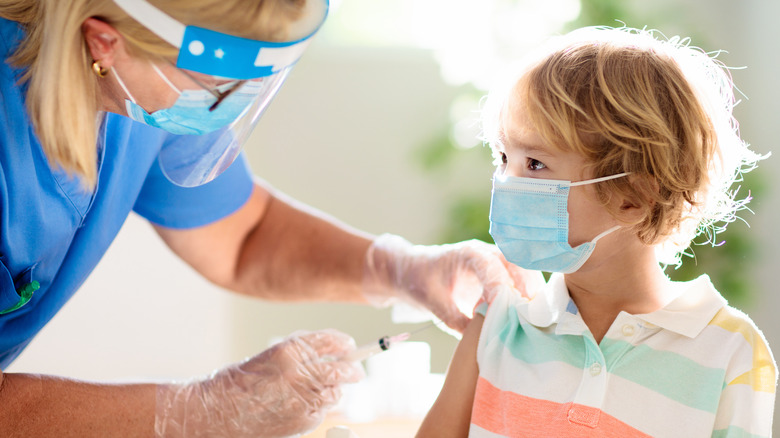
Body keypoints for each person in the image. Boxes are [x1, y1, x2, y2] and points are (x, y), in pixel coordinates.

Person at [0, 0, 530, 436]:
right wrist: (196, 412)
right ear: (104, 43)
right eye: (222, 87)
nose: (232, 103)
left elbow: (241, 236)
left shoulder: (148, 92)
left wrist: (404, 270)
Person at [416, 26, 777, 437]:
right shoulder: (499, 324)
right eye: (503, 157)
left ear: (632, 196)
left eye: (534, 163)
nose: (507, 182)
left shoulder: (729, 351)